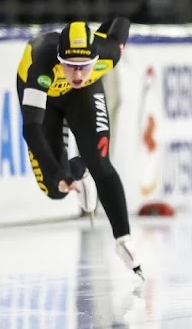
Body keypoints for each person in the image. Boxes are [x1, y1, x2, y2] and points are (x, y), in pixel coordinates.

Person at [15, 17, 142, 278]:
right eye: (71, 66)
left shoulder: (107, 55)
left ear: (95, 60)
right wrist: (58, 173)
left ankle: (124, 241)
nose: (78, 74)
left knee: (100, 163)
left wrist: (122, 235)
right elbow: (31, 128)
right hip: (46, 99)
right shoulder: (42, 63)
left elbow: (121, 23)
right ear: (60, 59)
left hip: (82, 97)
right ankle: (74, 170)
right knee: (54, 189)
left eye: (84, 66)